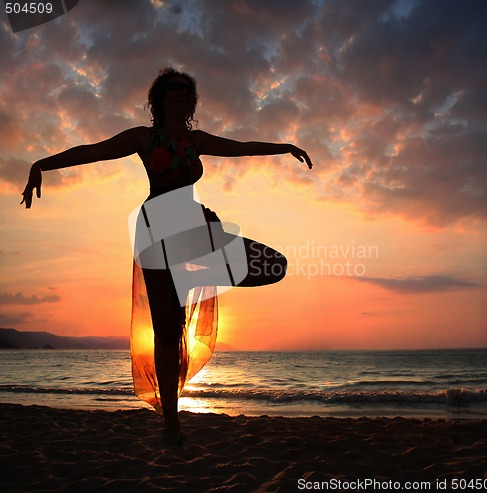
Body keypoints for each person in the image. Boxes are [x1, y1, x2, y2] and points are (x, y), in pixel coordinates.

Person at [21, 67, 313, 445]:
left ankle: (205, 262)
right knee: (168, 330)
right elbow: (92, 151)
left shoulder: (197, 140)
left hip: (191, 226)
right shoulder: (144, 137)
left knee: (274, 265)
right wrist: (40, 164)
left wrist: (284, 147)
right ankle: (171, 425)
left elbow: (242, 147)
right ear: (159, 98)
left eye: (188, 90)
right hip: (156, 230)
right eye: (176, 89)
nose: (184, 94)